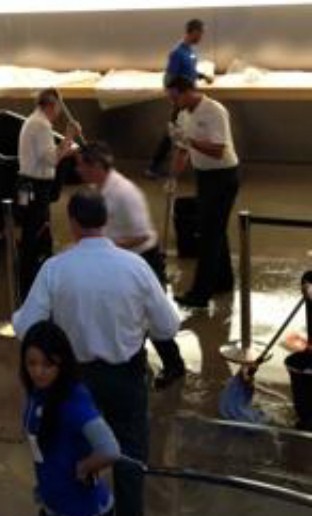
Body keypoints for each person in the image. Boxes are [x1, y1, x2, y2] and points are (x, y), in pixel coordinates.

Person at [13, 187, 180, 516]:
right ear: (105, 221)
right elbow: (168, 326)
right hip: (125, 378)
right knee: (128, 461)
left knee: (68, 456)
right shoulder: (135, 267)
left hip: (72, 383)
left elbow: (25, 327)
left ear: (71, 222)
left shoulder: (56, 268)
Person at [21, 320, 119, 516]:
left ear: (63, 362)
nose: (39, 371)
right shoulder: (41, 393)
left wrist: (83, 468)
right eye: (32, 363)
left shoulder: (73, 402)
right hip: (56, 508)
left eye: (48, 364)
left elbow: (110, 448)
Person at [75, 141, 186, 389]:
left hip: (143, 259)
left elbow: (143, 235)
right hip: (119, 258)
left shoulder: (124, 192)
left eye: (81, 165)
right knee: (131, 316)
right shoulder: (100, 188)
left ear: (96, 166)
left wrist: (104, 245)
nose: (78, 170)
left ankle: (174, 366)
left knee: (150, 318)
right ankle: (140, 362)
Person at [168, 76, 240, 308]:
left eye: (175, 97)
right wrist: (173, 177)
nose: (173, 102)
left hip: (223, 175)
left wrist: (188, 139)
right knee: (216, 229)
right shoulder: (183, 114)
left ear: (188, 91)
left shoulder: (214, 111)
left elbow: (218, 150)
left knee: (209, 234)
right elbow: (182, 151)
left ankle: (200, 294)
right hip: (204, 176)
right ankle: (224, 281)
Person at [17, 88, 79, 300]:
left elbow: (47, 155)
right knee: (34, 234)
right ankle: (30, 284)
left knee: (38, 232)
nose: (60, 112)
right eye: (58, 107)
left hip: (30, 183)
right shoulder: (41, 125)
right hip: (36, 185)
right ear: (50, 105)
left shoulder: (35, 121)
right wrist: (69, 137)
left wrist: (67, 147)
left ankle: (37, 277)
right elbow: (52, 159)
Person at [145, 19, 212, 180]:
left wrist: (203, 76)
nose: (202, 36)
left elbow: (190, 71)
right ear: (193, 31)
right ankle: (153, 168)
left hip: (189, 97)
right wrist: (175, 99)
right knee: (173, 133)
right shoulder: (177, 53)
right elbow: (170, 79)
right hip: (181, 100)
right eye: (201, 32)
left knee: (183, 130)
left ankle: (196, 163)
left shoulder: (190, 51)